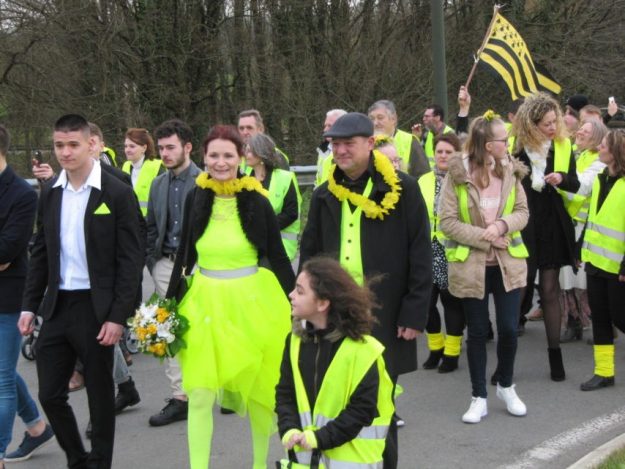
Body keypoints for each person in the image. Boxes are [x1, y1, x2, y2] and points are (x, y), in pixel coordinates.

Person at [299, 112, 432, 468]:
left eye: (348, 144)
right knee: (332, 399)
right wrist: (304, 306)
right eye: (334, 144)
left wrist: (415, 311)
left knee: (379, 404)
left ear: (370, 143)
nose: (340, 151)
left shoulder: (403, 189)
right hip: (334, 312)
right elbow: (310, 253)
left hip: (384, 311)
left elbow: (422, 251)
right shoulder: (325, 192)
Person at [165, 124, 294, 468]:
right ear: (203, 157)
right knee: (200, 394)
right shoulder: (196, 195)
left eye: (228, 155)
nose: (220, 163)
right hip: (205, 303)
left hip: (251, 303)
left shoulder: (256, 199)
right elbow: (184, 255)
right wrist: (167, 305)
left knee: (259, 394)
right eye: (213, 155)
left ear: (242, 158)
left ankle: (259, 463)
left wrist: (298, 300)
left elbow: (278, 256)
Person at [18, 114, 143, 468]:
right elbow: (41, 250)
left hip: (96, 306)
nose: (65, 152)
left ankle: (100, 462)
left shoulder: (116, 192)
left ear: (91, 144)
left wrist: (118, 316)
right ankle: (77, 459)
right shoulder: (51, 191)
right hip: (58, 305)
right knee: (49, 394)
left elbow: (131, 260)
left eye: (73, 144)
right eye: (59, 145)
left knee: (101, 393)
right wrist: (29, 306)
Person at [440, 111, 529, 423]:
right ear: (488, 145)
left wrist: (501, 226)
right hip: (471, 265)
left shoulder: (511, 171)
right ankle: (479, 396)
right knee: (476, 332)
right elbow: (447, 222)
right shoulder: (457, 175)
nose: (509, 144)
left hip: (508, 264)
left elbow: (522, 212)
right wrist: (484, 237)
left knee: (508, 329)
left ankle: (506, 384)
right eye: (503, 140)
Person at [275, 257, 394, 468]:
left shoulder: (364, 351)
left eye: (300, 291)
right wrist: (289, 429)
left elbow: (361, 411)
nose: (291, 295)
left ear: (322, 303)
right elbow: (285, 393)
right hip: (307, 461)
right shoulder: (293, 341)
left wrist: (319, 438)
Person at [512, 92, 580, 381]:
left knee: (550, 290)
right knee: (521, 287)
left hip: (552, 220)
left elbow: (575, 184)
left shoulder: (563, 147)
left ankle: (555, 357)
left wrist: (562, 179)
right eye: (546, 123)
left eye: (555, 122)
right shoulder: (516, 150)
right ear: (532, 124)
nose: (553, 127)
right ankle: (507, 359)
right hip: (525, 220)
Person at [0, 125, 54, 468]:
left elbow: (7, 250)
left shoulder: (21, 193)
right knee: (2, 370)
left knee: (2, 377)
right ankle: (36, 427)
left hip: (9, 297)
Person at [145, 119, 202, 427]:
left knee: (204, 329)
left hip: (200, 266)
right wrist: (153, 263)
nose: (165, 154)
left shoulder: (206, 181)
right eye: (162, 148)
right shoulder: (157, 184)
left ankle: (214, 388)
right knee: (170, 330)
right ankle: (181, 397)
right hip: (165, 265)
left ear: (187, 147)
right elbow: (151, 227)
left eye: (171, 147)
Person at [579, 129, 625, 391]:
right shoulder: (599, 179)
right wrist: (579, 248)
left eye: (604, 145)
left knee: (620, 317)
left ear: (616, 150)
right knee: (600, 317)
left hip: (618, 266)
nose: (599, 149)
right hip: (595, 261)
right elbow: (593, 218)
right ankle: (604, 372)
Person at [419, 133, 466, 373]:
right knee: (426, 302)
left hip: (452, 250)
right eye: (440, 152)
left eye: (448, 152)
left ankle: (452, 352)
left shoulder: (463, 181)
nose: (443, 156)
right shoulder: (424, 180)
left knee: (451, 303)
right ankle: (435, 347)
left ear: (457, 154)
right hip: (427, 249)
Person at [559, 120, 608, 342]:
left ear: (597, 137)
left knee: (585, 282)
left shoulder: (599, 163)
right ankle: (574, 321)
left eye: (585, 131)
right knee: (566, 279)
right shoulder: (579, 156)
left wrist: (556, 182)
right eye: (580, 128)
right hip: (569, 225)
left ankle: (602, 325)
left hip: (584, 228)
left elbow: (582, 185)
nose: (579, 132)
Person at [245, 133, 302, 261]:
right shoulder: (243, 178)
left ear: (260, 153)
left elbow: (291, 213)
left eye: (250, 151)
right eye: (246, 151)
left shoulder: (285, 178)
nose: (246, 155)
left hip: (281, 244)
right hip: (250, 244)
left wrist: (265, 227)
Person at [367, 99, 429, 177]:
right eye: (372, 118)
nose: (375, 123)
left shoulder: (410, 141)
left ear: (393, 119)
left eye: (380, 118)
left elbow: (424, 177)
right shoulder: (366, 143)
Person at [121, 128, 164, 216]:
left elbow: (162, 202)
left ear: (144, 148)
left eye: (132, 146)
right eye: (126, 146)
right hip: (129, 221)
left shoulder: (157, 167)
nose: (127, 150)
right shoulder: (125, 166)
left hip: (149, 224)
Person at [315, 109, 347, 187]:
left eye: (329, 126)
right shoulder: (323, 150)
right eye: (325, 126)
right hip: (322, 196)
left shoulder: (349, 151)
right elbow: (318, 180)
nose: (325, 130)